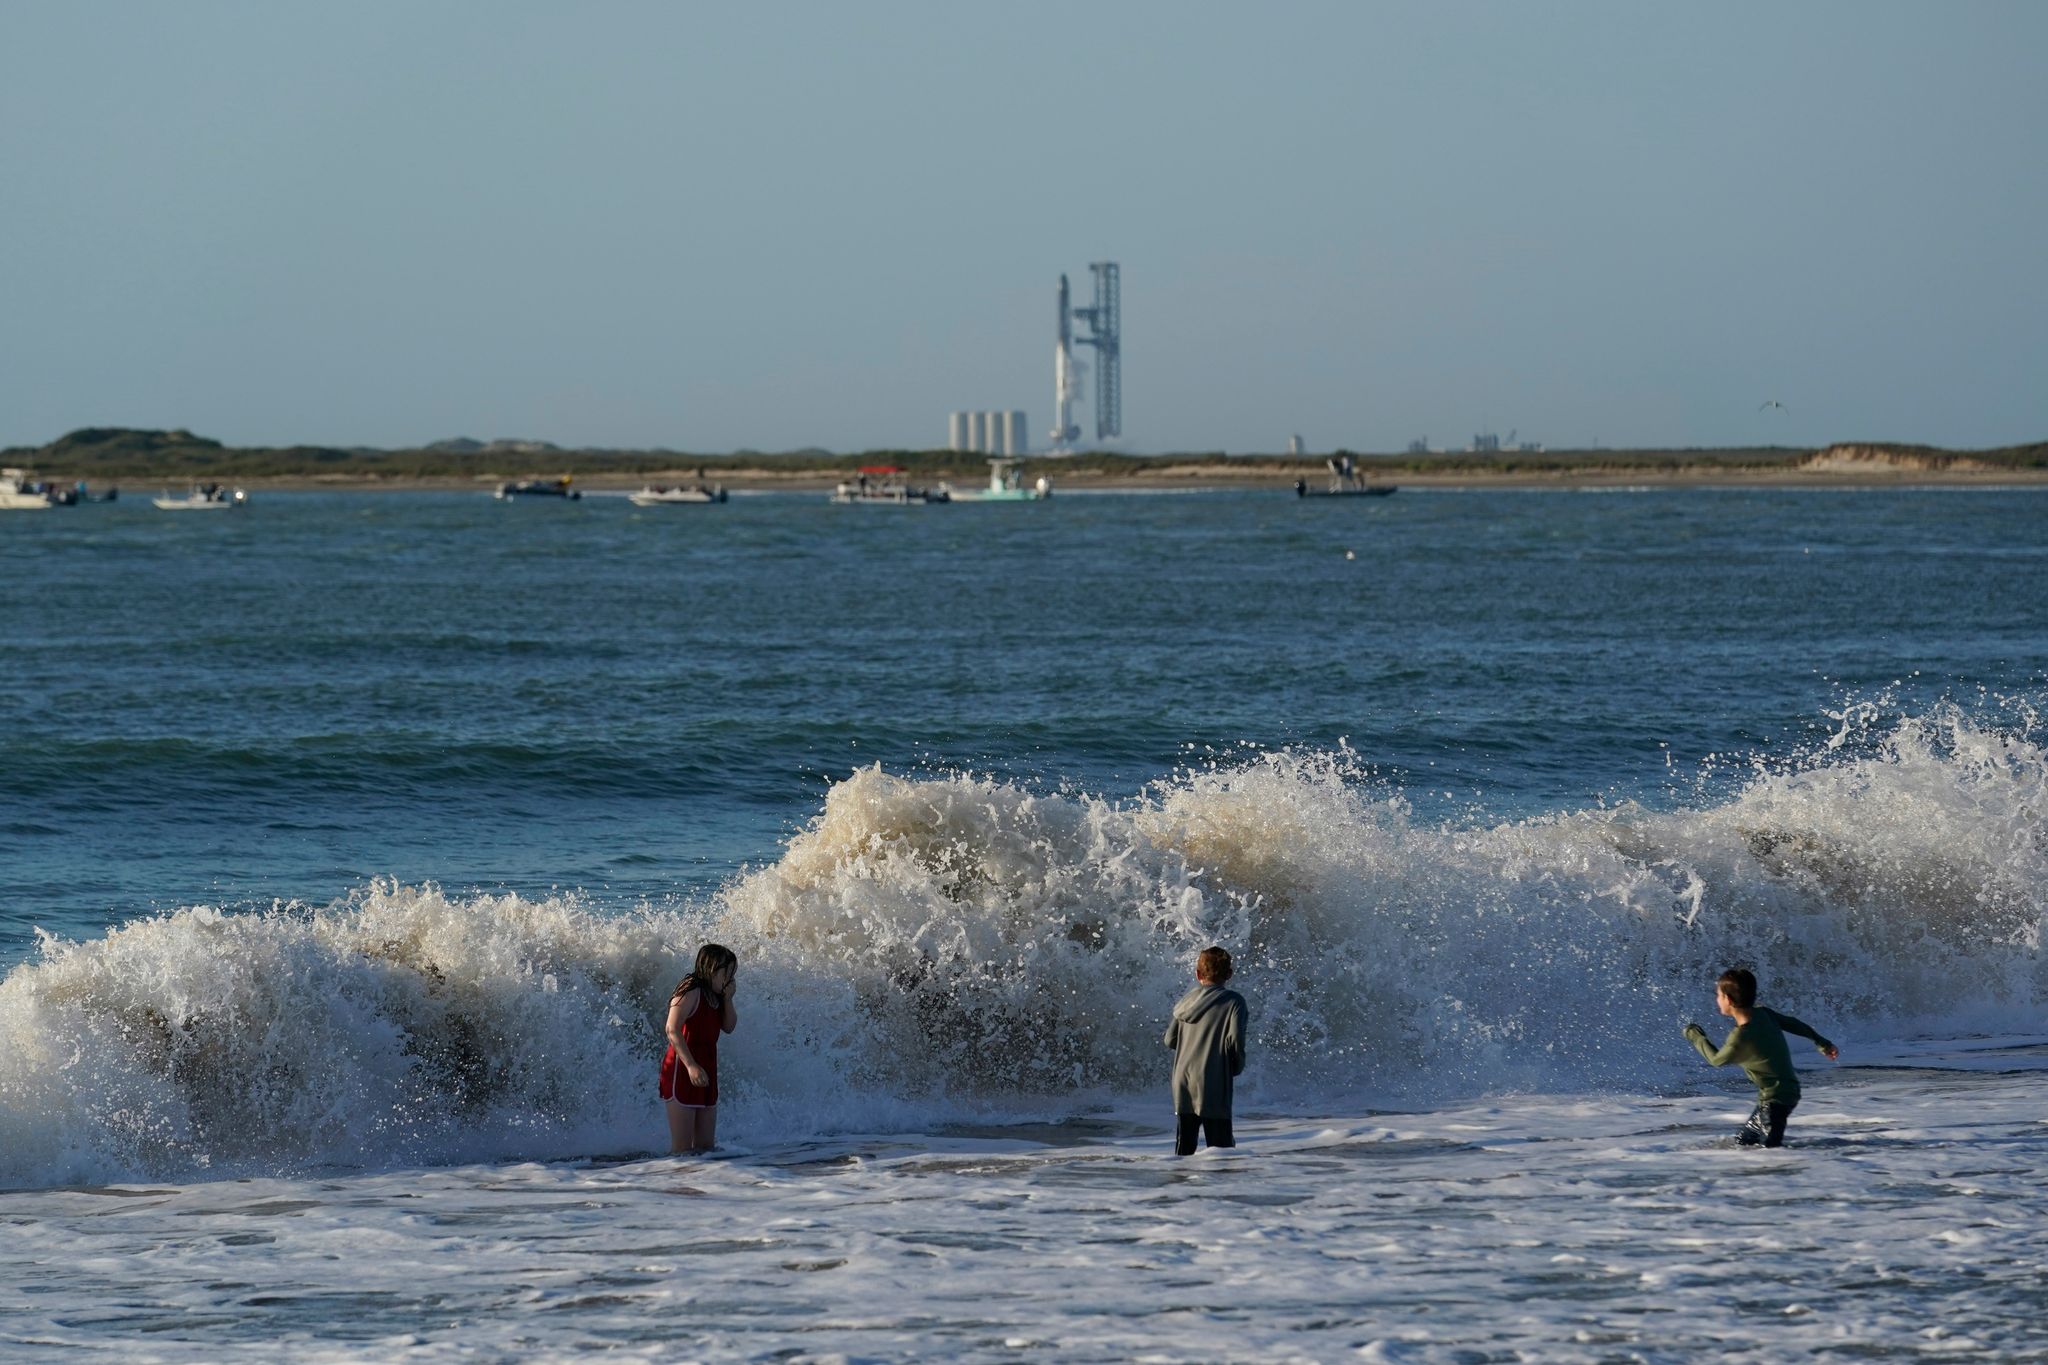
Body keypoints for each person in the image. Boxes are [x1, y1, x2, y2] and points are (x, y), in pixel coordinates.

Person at [1683, 966, 1838, 1147]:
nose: (1717, 1000)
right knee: (1743, 1141)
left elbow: (1716, 1060)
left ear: (1728, 999)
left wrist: (1695, 1036)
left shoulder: (1740, 1037)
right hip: (1781, 1096)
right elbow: (1794, 1024)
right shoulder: (1764, 1014)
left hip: (1775, 1102)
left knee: (1770, 1154)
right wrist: (1822, 1042)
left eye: (1718, 995)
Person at [1163, 945, 1248, 1156]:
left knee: (1183, 1149)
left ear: (1198, 974)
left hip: (1182, 1079)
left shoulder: (1186, 1001)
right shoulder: (1234, 1002)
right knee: (1221, 1151)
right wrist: (1235, 1067)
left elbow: (1169, 1040)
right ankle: (1218, 1189)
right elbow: (1235, 1039)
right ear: (1229, 974)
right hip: (1213, 1079)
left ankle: (1180, 1187)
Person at [660, 944, 739, 1154]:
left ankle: (703, 1186)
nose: (730, 980)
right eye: (727, 973)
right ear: (711, 969)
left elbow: (729, 1027)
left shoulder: (717, 996)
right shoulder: (690, 990)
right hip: (682, 1069)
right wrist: (691, 1065)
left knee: (706, 1150)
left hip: (707, 1069)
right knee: (682, 1150)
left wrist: (728, 999)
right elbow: (672, 1029)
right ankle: (674, 1186)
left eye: (733, 974)